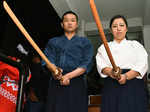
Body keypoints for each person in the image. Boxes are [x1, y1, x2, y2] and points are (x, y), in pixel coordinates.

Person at [42, 11, 93, 112]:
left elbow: (87, 63)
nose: (70, 23)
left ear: (77, 24)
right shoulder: (53, 41)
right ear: (62, 24)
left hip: (76, 81)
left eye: (73, 20)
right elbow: (47, 59)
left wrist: (68, 76)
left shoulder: (85, 42)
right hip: (57, 80)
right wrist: (55, 71)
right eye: (66, 20)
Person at [96, 15, 148, 112]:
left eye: (121, 25)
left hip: (133, 84)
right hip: (111, 84)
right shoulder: (104, 47)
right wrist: (112, 72)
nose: (118, 28)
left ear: (126, 29)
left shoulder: (135, 45)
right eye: (115, 26)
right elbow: (101, 66)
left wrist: (126, 76)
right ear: (111, 30)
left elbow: (142, 64)